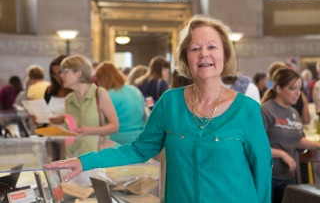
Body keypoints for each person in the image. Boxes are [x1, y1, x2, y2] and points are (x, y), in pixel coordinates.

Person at [45, 15, 272, 203]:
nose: (204, 54)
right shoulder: (170, 102)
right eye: (195, 48)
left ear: (225, 54)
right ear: (185, 57)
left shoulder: (247, 109)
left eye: (212, 47)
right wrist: (84, 162)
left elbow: (262, 173)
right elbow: (138, 149)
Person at [260, 68, 320, 203]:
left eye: (299, 88)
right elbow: (255, 145)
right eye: (293, 88)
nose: (298, 93)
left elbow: (297, 140)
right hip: (268, 175)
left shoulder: (293, 112)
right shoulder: (265, 111)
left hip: (288, 175)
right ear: (279, 88)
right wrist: (282, 154)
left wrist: (318, 145)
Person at [49, 55, 119, 157]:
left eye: (65, 71)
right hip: (72, 156)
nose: (61, 76)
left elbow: (114, 126)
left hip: (95, 157)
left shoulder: (99, 93)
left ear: (78, 73)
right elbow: (71, 127)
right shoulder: (69, 99)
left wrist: (91, 130)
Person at [95, 61, 145, 145]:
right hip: (140, 137)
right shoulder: (135, 90)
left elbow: (99, 121)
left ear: (101, 79)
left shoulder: (106, 95)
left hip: (116, 140)